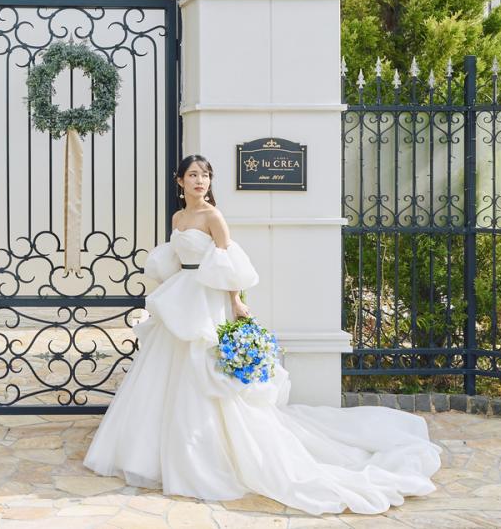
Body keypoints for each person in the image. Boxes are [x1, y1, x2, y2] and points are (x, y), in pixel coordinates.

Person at [83, 154, 441, 514]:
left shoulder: (213, 217)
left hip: (208, 300)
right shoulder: (178, 217)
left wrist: (236, 304)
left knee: (203, 370)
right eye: (193, 175)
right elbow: (177, 259)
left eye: (205, 175)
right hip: (182, 295)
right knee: (166, 372)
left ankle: (207, 456)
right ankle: (158, 451)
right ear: (180, 181)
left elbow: (228, 263)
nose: (200, 181)